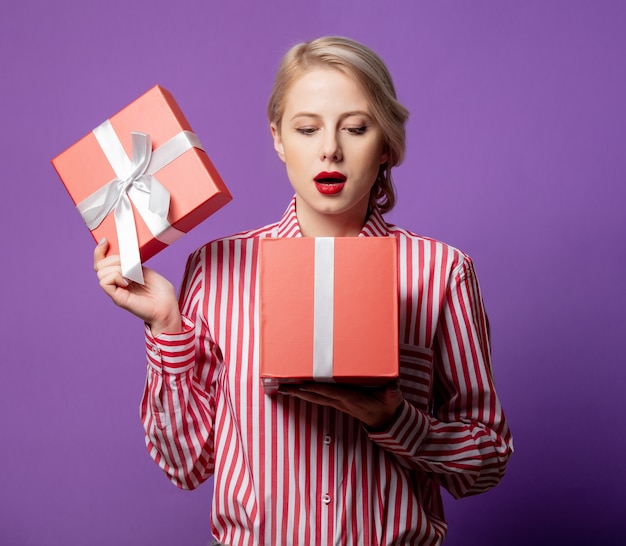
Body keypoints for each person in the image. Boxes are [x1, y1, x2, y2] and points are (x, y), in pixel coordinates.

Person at [94, 36, 513, 546]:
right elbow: (186, 465)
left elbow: (486, 464)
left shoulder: (440, 273)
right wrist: (165, 326)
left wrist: (399, 421)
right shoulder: (218, 267)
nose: (330, 148)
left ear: (385, 143)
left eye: (356, 128)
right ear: (277, 137)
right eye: (307, 128)